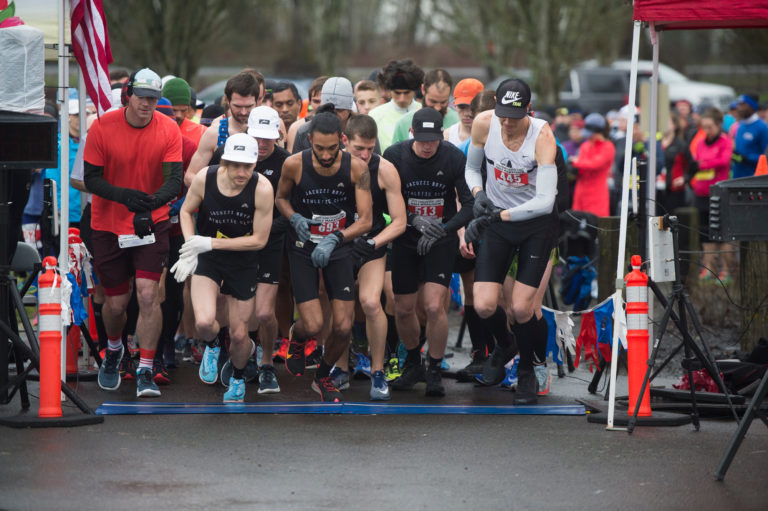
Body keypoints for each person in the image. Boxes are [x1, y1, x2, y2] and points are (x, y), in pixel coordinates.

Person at [83, 68, 183, 397]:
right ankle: (114, 350)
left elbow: (174, 180)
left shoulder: (168, 128)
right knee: (115, 304)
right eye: (141, 96)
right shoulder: (102, 126)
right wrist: (126, 197)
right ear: (128, 94)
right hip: (108, 223)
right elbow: (92, 179)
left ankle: (145, 368)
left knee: (149, 294)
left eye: (153, 98)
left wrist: (149, 204)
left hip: (151, 221)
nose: (147, 103)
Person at [463, 78, 559, 405]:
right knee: (484, 304)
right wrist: (478, 196)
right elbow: (472, 170)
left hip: (534, 224)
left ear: (528, 111)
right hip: (497, 219)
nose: (506, 122)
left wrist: (498, 216)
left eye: (514, 116)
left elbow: (546, 201)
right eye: (502, 113)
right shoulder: (483, 124)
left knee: (520, 307)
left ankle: (528, 371)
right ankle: (505, 345)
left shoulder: (543, 137)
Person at [275, 109, 373, 402]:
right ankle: (297, 334)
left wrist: (337, 237)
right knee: (315, 324)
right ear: (309, 141)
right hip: (303, 246)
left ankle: (322, 376)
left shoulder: (357, 168)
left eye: (333, 148)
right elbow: (280, 198)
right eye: (320, 148)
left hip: (338, 246)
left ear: (342, 140)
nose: (327, 155)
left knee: (343, 327)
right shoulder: (294, 165)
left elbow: (366, 219)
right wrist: (294, 218)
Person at [172, 133, 273, 402]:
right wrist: (189, 246)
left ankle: (238, 377)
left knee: (240, 335)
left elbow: (260, 240)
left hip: (242, 261)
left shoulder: (262, 188)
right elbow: (185, 211)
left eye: (248, 166)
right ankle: (214, 344)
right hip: (209, 258)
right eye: (235, 165)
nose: (242, 173)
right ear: (225, 161)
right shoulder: (206, 177)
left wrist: (208, 244)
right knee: (204, 322)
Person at [383, 107, 474, 396]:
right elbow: (379, 198)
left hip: (440, 240)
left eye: (432, 140)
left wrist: (444, 229)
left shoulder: (453, 156)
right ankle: (413, 362)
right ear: (411, 134)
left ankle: (434, 366)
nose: (426, 146)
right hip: (406, 237)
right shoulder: (395, 156)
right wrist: (411, 220)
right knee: (404, 306)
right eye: (421, 139)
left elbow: (470, 204)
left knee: (435, 306)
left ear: (440, 136)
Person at [331, 114, 406, 399]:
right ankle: (340, 368)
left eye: (370, 149)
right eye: (358, 148)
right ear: (344, 141)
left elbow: (399, 221)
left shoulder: (385, 169)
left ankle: (377, 371)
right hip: (338, 243)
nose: (364, 155)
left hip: (371, 244)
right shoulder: (330, 164)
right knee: (340, 309)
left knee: (372, 303)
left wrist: (374, 241)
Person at [241, 105, 290, 393]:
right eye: (256, 137)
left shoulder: (287, 162)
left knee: (263, 313)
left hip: (271, 242)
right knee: (240, 310)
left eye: (267, 139)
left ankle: (268, 363)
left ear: (277, 137)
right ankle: (242, 357)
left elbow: (291, 208)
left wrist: (266, 230)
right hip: (239, 243)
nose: (261, 145)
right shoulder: (233, 156)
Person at [186, 72, 262, 184]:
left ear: (257, 101)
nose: (243, 112)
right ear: (227, 101)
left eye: (249, 106)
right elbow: (190, 176)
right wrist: (217, 193)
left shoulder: (266, 132)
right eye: (238, 106)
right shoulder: (214, 133)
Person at [690, 108, 734, 283]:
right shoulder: (701, 142)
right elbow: (695, 161)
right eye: (704, 127)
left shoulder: (725, 141)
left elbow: (723, 161)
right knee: (704, 232)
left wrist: (704, 164)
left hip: (719, 193)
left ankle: (727, 271)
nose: (707, 131)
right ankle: (709, 268)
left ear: (718, 125)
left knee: (722, 232)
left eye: (710, 127)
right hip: (700, 193)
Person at [391, 69, 460, 145]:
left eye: (443, 102)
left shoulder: (459, 122)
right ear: (423, 89)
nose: (438, 108)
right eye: (433, 101)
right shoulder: (404, 124)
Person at [369, 59, 424, 151]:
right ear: (389, 90)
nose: (402, 99)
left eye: (407, 93)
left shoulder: (424, 111)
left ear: (415, 90)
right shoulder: (375, 115)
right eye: (397, 93)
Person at [291, 77, 356, 154]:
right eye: (329, 108)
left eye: (339, 110)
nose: (334, 113)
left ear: (349, 109)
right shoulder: (304, 132)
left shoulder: (360, 131)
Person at [570, 113, 615, 217]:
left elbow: (594, 164)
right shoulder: (585, 146)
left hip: (597, 196)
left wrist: (575, 162)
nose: (588, 137)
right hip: (580, 194)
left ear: (598, 132)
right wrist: (573, 169)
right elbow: (581, 168)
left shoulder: (608, 147)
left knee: (595, 226)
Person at [732, 94, 768, 179]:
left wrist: (747, 158)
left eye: (743, 104)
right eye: (738, 104)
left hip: (752, 180)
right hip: (737, 178)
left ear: (752, 106)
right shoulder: (740, 125)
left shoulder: (762, 127)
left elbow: (765, 157)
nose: (739, 108)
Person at [162, 77, 206, 146]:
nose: (179, 115)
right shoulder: (149, 128)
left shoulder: (201, 133)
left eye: (184, 110)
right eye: (174, 110)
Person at [443, 78, 484, 146]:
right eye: (461, 107)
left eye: (472, 107)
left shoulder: (492, 134)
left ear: (481, 105)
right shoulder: (447, 136)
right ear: (455, 106)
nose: (467, 113)